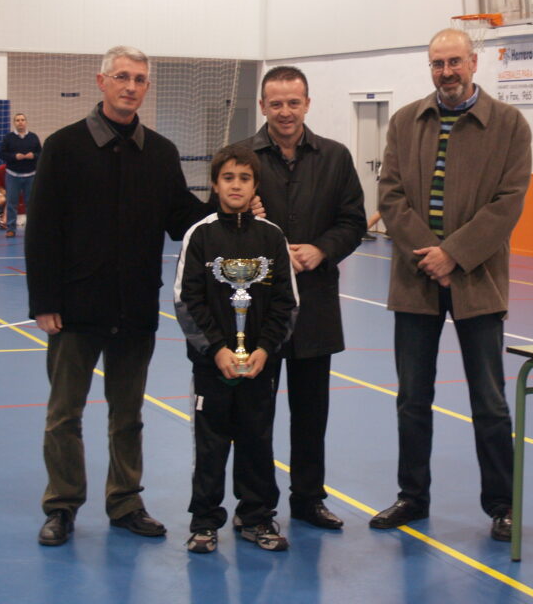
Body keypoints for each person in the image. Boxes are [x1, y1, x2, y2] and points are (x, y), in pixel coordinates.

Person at [26, 45, 210, 547]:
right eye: (122, 77)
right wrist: (45, 302)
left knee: (127, 416)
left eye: (140, 79)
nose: (131, 86)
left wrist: (228, 207)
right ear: (102, 81)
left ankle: (125, 500)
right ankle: (62, 506)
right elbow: (40, 230)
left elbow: (182, 222)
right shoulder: (63, 147)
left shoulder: (161, 153)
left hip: (134, 311)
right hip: (74, 312)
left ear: (147, 87)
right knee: (64, 415)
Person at [370, 28, 532, 542]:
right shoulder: (404, 122)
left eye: (455, 62)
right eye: (438, 63)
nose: (447, 72)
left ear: (474, 63)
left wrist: (454, 255)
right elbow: (391, 197)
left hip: (478, 281)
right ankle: (412, 496)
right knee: (411, 398)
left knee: (489, 401)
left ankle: (503, 505)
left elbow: (508, 204)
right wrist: (429, 255)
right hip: (415, 280)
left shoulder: (509, 125)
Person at [234, 65, 366, 530]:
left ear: (307, 103)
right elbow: (216, 227)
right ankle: (255, 506)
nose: (285, 112)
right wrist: (243, 222)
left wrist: (321, 249)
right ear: (263, 106)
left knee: (311, 414)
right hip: (256, 313)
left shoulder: (334, 156)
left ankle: (308, 499)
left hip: (314, 307)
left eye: (294, 102)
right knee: (254, 414)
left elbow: (353, 221)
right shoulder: (241, 158)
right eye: (276, 103)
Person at [174, 145, 299, 553]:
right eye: (228, 178)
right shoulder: (201, 234)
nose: (236, 185)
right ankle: (205, 521)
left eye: (245, 178)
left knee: (257, 441)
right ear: (215, 184)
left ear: (255, 185)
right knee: (209, 445)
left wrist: (264, 349)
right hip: (213, 367)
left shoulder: (272, 236)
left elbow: (286, 302)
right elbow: (185, 299)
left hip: (261, 366)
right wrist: (217, 350)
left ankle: (257, 516)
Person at [0, 112, 41, 238]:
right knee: (12, 203)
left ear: (26, 122)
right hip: (13, 175)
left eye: (22, 119)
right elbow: (1, 154)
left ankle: (32, 229)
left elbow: (41, 153)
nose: (20, 122)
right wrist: (14, 156)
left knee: (31, 203)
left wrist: (34, 156)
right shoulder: (8, 138)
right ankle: (11, 229)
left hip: (31, 175)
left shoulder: (33, 137)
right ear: (14, 123)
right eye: (17, 120)